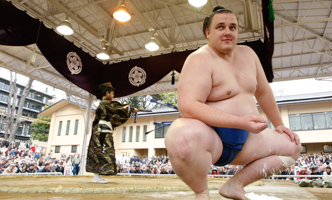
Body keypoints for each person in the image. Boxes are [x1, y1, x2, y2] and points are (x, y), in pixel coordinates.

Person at [164, 6, 301, 200]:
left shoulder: (249, 55)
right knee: (181, 136)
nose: (228, 32)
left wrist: (279, 124)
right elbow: (188, 106)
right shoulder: (199, 59)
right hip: (212, 139)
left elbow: (263, 91)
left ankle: (235, 185)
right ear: (208, 33)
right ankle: (201, 192)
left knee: (293, 146)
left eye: (233, 27)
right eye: (220, 27)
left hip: (249, 139)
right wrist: (239, 122)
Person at [86, 82, 138, 183]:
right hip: (102, 131)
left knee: (100, 152)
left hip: (102, 130)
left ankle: (97, 176)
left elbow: (114, 114)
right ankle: (96, 177)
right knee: (101, 152)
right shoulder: (105, 103)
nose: (113, 96)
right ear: (107, 93)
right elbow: (118, 108)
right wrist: (131, 109)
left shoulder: (104, 104)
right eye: (112, 94)